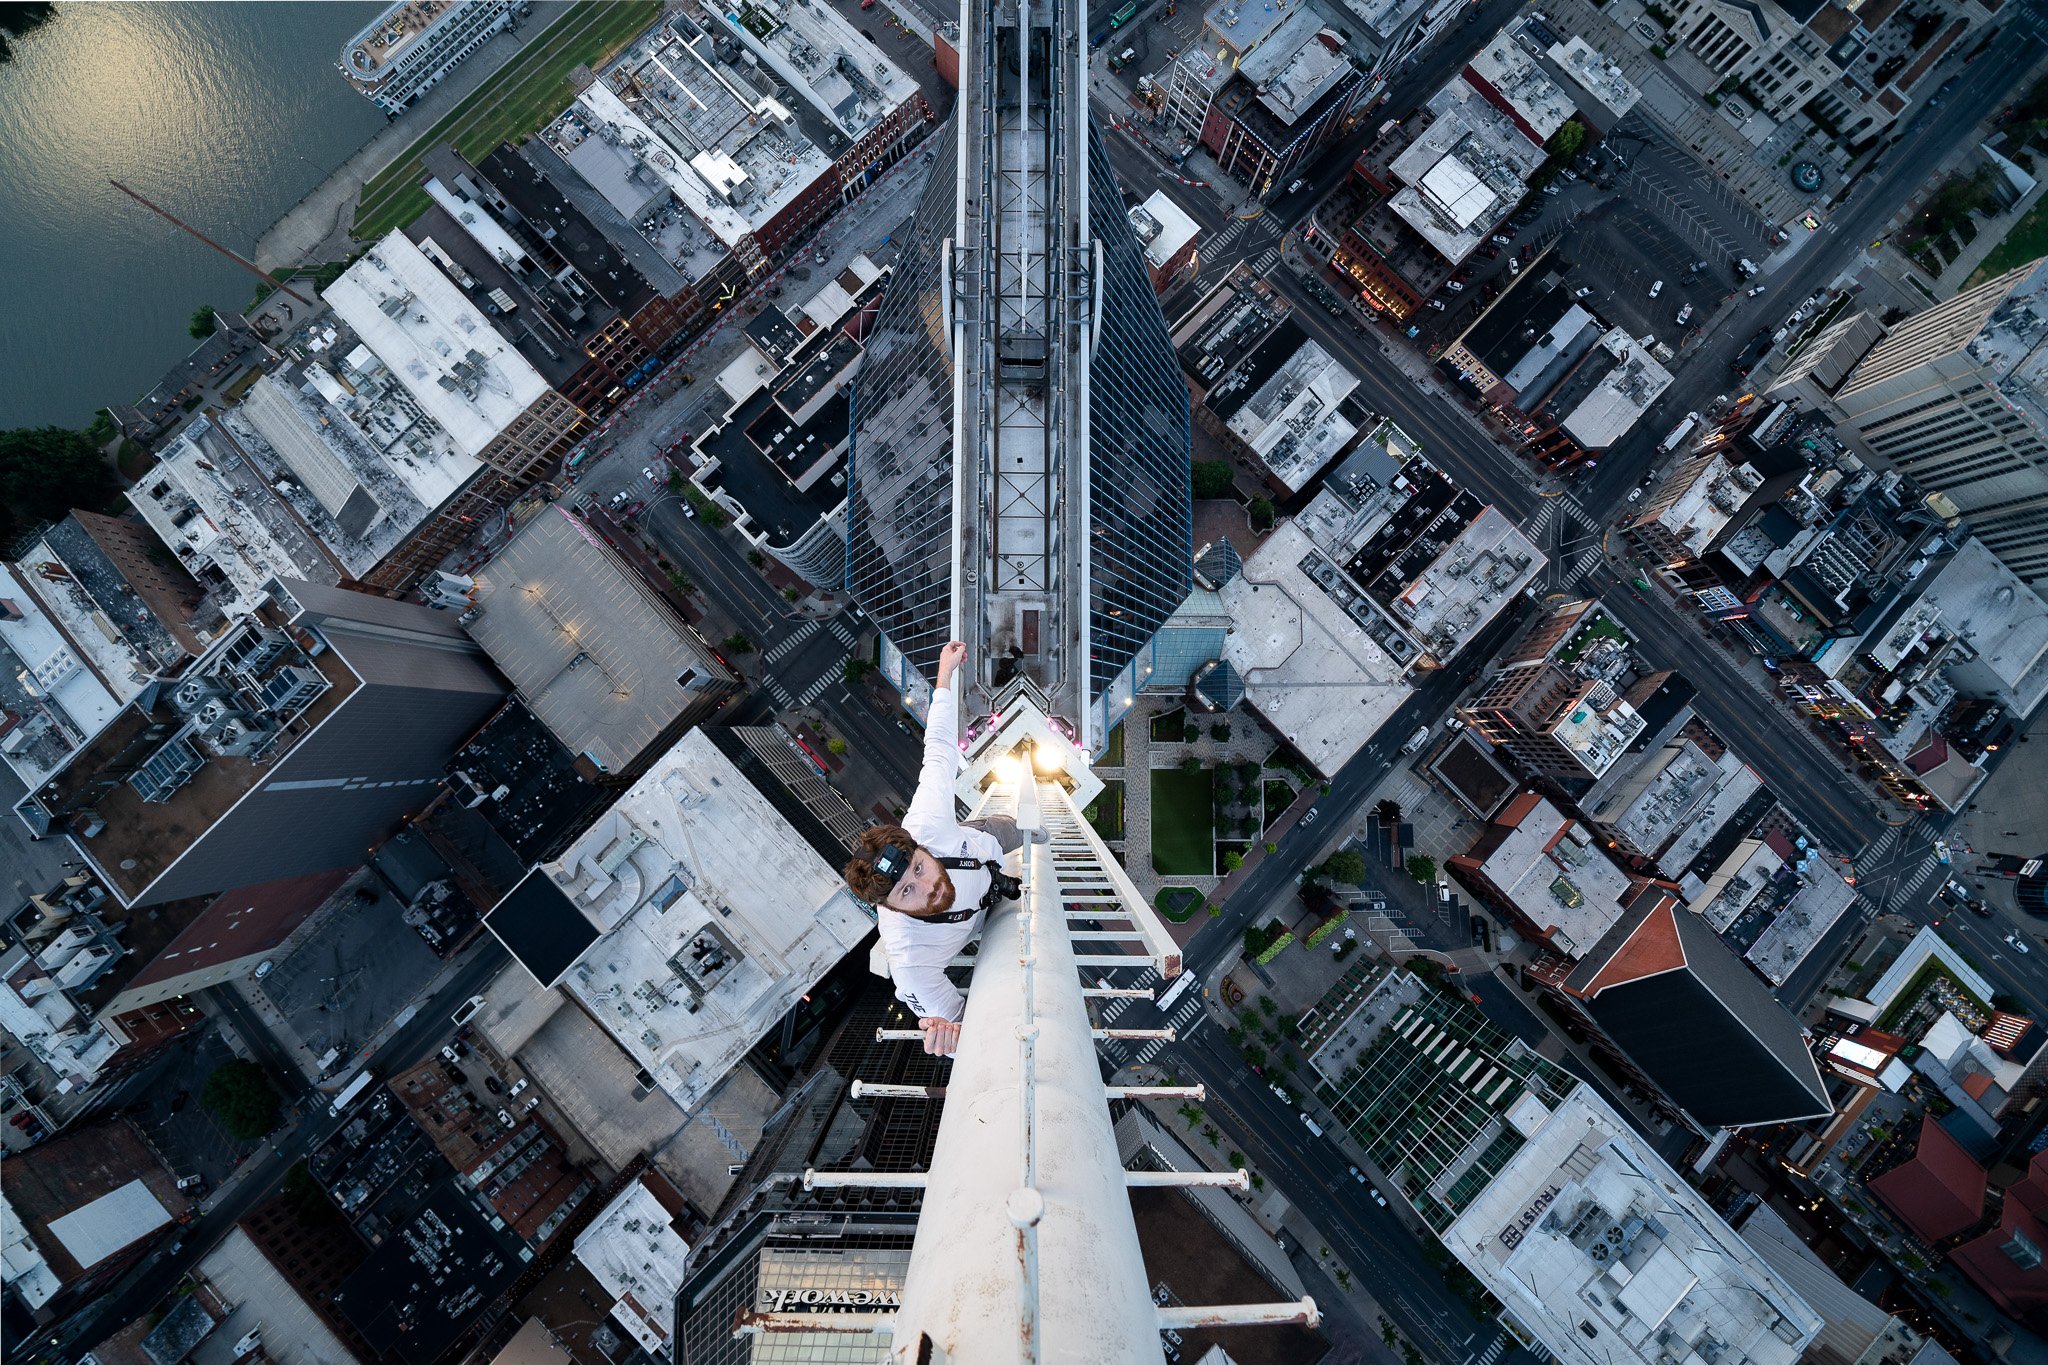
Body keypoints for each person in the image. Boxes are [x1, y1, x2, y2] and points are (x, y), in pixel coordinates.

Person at [842, 641, 1016, 1057]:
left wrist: (944, 675)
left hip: (986, 844)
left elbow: (938, 749)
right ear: (890, 909)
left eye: (918, 868)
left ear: (920, 846)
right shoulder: (910, 960)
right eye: (906, 891)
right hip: (978, 917)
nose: (927, 888)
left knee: (1025, 830)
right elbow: (961, 1035)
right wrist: (950, 1040)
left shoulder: (926, 822)